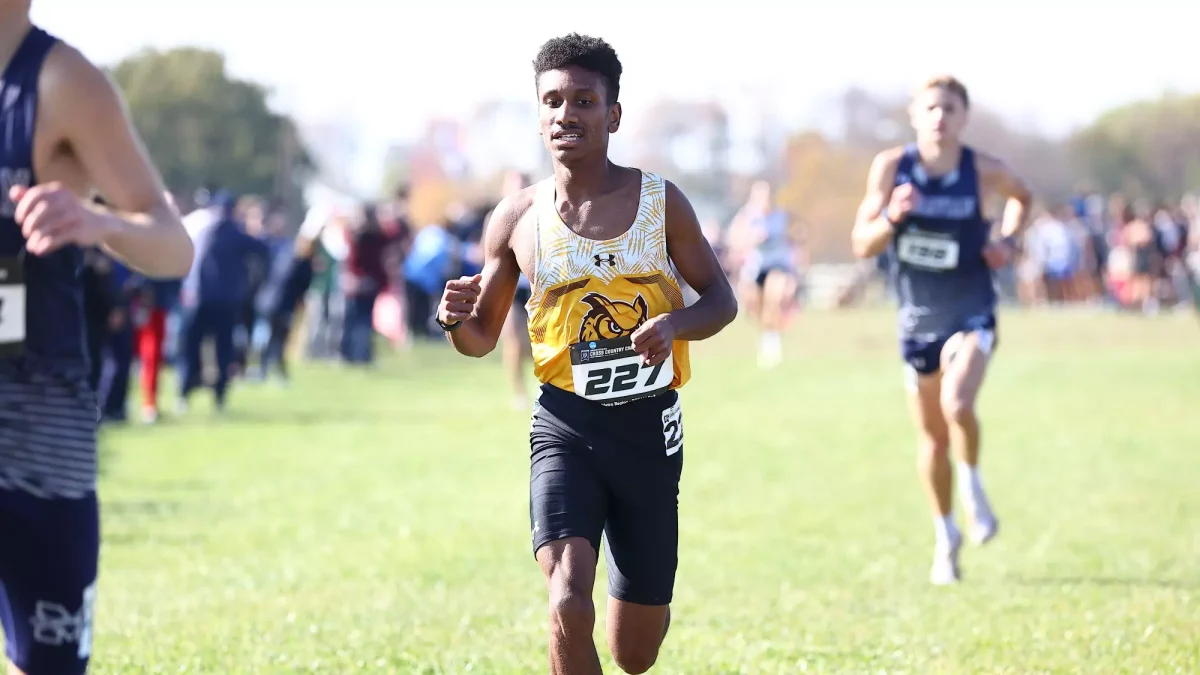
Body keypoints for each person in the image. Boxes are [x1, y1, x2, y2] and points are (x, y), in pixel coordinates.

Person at [436, 34, 736, 674]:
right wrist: (452, 319)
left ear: (613, 115)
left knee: (634, 655)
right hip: (565, 427)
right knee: (568, 601)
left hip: (648, 430)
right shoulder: (516, 218)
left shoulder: (662, 204)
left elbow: (722, 300)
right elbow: (480, 338)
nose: (565, 114)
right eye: (552, 101)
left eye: (584, 100)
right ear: (538, 114)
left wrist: (675, 323)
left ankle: (644, 603)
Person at [0, 7, 194, 674]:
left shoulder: (60, 81)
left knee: (47, 663)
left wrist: (92, 219)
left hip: (36, 428)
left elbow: (173, 247)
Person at [850, 75, 1032, 586]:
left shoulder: (981, 170)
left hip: (972, 308)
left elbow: (1023, 196)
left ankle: (973, 487)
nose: (940, 117)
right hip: (917, 319)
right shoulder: (891, 167)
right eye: (931, 107)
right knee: (931, 438)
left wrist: (1008, 241)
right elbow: (862, 243)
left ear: (963, 117)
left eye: (950, 108)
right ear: (915, 115)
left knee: (958, 403)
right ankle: (945, 535)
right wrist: (892, 215)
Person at [727, 180, 801, 368]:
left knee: (773, 298)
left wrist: (796, 264)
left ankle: (772, 344)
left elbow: (798, 237)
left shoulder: (782, 216)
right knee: (756, 308)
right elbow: (733, 240)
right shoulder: (746, 217)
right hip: (755, 267)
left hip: (778, 264)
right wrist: (751, 237)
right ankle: (767, 336)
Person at [489, 169, 535, 409]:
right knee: (514, 341)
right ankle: (518, 392)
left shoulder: (543, 214)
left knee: (535, 343)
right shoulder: (496, 217)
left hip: (538, 289)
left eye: (523, 185)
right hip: (511, 291)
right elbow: (485, 256)